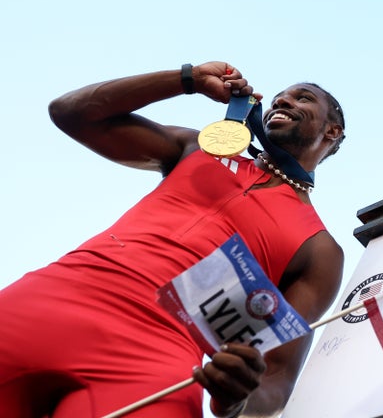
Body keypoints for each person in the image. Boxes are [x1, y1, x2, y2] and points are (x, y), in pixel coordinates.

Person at [0, 62, 346, 418]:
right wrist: (188, 80)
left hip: (157, 359)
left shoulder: (320, 250)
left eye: (302, 99)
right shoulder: (198, 148)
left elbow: (277, 377)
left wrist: (236, 399)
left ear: (332, 131)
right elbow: (71, 113)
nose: (283, 102)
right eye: (278, 98)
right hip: (52, 300)